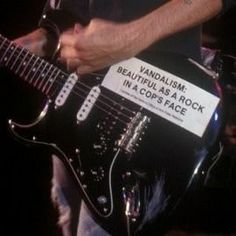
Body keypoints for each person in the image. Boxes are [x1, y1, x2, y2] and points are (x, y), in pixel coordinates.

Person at [13, 0, 235, 235]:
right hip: (75, 110)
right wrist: (34, 41)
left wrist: (129, 38)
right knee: (68, 219)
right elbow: (64, 17)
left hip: (148, 118)